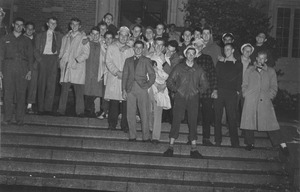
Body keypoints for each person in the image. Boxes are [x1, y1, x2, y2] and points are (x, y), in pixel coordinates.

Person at [240, 51, 289, 156]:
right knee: (249, 122)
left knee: (271, 122)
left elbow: (274, 87)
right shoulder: (250, 70)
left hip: (264, 99)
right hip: (251, 99)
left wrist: (269, 96)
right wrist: (245, 94)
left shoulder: (270, 71)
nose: (261, 60)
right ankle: (250, 143)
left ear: (266, 60)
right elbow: (244, 84)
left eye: (263, 58)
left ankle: (282, 144)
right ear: (256, 58)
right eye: (259, 58)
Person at [164, 45, 208, 158]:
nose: (190, 55)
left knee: (193, 122)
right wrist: (177, 90)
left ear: (196, 55)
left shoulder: (199, 69)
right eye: (189, 53)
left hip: (193, 98)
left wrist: (197, 91)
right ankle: (170, 146)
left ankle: (194, 148)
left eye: (193, 53)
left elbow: (205, 84)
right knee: (176, 121)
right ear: (185, 54)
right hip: (180, 97)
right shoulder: (179, 67)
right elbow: (169, 81)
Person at [0, 17, 33, 125]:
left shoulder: (27, 41)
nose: (19, 27)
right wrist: (0, 69)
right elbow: (1, 55)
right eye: (17, 24)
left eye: (21, 25)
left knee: (21, 94)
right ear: (13, 25)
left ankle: (20, 119)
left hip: (22, 68)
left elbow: (30, 57)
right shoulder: (5, 38)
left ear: (23, 27)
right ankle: (7, 118)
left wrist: (29, 71)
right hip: (8, 67)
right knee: (7, 94)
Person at [122, 40, 155, 142]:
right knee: (130, 113)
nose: (138, 49)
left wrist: (148, 85)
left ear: (143, 49)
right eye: (136, 47)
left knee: (144, 113)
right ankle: (132, 136)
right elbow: (125, 75)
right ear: (133, 48)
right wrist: (123, 89)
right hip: (130, 88)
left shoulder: (146, 60)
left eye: (140, 47)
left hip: (142, 88)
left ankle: (146, 136)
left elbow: (152, 75)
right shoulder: (128, 60)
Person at [57, 17, 90, 116]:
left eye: (76, 24)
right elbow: (62, 51)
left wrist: (76, 60)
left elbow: (86, 53)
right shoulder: (65, 37)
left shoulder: (83, 38)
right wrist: (61, 61)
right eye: (73, 24)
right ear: (70, 25)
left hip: (77, 67)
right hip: (66, 67)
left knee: (78, 91)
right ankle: (61, 110)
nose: (74, 26)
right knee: (64, 91)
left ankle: (80, 112)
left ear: (79, 26)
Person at [105, 26, 134, 132]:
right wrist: (117, 72)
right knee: (114, 103)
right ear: (118, 35)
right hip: (115, 77)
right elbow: (108, 61)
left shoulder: (130, 50)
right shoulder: (112, 47)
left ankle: (125, 125)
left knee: (126, 104)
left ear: (128, 37)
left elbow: (132, 64)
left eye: (126, 36)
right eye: (121, 35)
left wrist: (126, 75)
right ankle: (112, 124)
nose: (123, 38)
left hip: (126, 79)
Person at [214, 43, 242, 147]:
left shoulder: (238, 64)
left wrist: (237, 91)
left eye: (229, 49)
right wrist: (215, 90)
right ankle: (218, 140)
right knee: (217, 116)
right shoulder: (220, 63)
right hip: (220, 91)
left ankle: (235, 142)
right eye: (225, 49)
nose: (227, 51)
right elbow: (216, 77)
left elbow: (240, 78)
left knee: (232, 117)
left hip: (231, 93)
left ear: (233, 50)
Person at [35, 17, 63, 115]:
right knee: (42, 83)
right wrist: (40, 60)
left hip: (54, 59)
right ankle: (40, 107)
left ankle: (48, 108)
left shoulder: (59, 36)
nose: (53, 25)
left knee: (51, 84)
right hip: (43, 58)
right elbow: (35, 49)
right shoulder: (40, 35)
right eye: (51, 23)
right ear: (47, 23)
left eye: (55, 23)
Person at [193, 38, 217, 146]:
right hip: (193, 92)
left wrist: (214, 89)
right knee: (193, 115)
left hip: (206, 91)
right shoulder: (189, 58)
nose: (198, 47)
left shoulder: (207, 58)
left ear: (203, 47)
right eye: (196, 45)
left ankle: (206, 138)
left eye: (200, 45)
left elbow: (213, 74)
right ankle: (192, 137)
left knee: (207, 115)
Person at [148, 37, 171, 144]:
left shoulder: (167, 59)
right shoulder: (148, 57)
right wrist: (154, 83)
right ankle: (150, 129)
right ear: (153, 45)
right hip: (150, 86)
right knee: (149, 111)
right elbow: (146, 74)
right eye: (157, 44)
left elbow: (171, 76)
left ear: (164, 47)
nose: (159, 47)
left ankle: (156, 137)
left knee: (157, 112)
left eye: (161, 45)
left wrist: (164, 85)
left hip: (161, 88)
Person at [84, 26, 103, 117]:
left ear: (99, 35)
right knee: (88, 90)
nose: (95, 36)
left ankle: (96, 110)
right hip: (88, 70)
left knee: (97, 91)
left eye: (97, 34)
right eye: (93, 34)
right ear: (90, 34)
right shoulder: (87, 43)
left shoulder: (102, 44)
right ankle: (88, 110)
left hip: (98, 71)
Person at [97, 31, 114, 120]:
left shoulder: (115, 48)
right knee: (104, 95)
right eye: (106, 38)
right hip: (103, 74)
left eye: (110, 38)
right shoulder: (101, 47)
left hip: (112, 75)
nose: (108, 40)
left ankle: (109, 112)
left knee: (111, 95)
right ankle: (104, 111)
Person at [24, 22, 37, 114]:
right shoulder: (20, 38)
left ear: (34, 30)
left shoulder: (37, 39)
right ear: (25, 28)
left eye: (31, 29)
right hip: (22, 65)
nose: (29, 30)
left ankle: (29, 106)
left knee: (32, 86)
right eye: (28, 28)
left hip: (33, 65)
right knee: (21, 85)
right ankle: (19, 104)